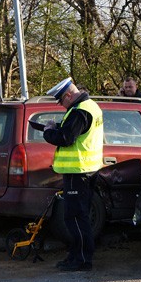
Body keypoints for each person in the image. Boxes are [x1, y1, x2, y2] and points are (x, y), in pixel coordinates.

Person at [29, 78, 104, 271]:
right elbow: (74, 132)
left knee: (75, 217)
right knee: (80, 216)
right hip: (86, 170)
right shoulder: (88, 106)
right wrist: (58, 127)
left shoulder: (80, 111)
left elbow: (66, 138)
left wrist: (48, 133)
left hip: (78, 172)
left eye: (61, 101)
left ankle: (81, 260)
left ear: (69, 95)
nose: (61, 105)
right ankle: (77, 256)